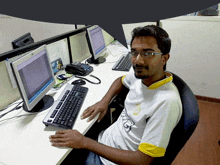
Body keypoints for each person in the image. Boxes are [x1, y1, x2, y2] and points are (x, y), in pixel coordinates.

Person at [49, 25, 182, 165]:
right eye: (134, 52)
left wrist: (84, 142)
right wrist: (104, 101)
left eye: (148, 53)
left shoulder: (167, 103)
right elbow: (121, 80)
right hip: (106, 141)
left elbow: (142, 160)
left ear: (164, 58)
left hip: (108, 161)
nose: (138, 60)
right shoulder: (141, 75)